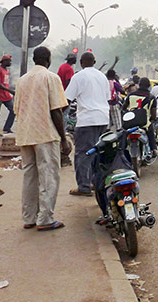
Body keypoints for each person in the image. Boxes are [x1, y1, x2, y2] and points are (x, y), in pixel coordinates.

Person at [13, 46, 71, 231]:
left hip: (25, 133)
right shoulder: (51, 78)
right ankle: (45, 218)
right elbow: (56, 111)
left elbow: (17, 109)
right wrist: (63, 138)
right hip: (45, 133)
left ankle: (29, 217)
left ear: (33, 59)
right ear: (49, 59)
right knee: (48, 176)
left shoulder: (21, 81)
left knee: (29, 176)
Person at [65, 52, 110, 197]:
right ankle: (95, 183)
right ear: (95, 62)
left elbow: (67, 99)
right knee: (98, 153)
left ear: (81, 62)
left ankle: (84, 186)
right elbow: (107, 98)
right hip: (103, 119)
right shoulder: (102, 77)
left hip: (87, 121)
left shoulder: (79, 76)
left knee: (83, 154)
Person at [122, 77, 158, 156]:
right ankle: (154, 149)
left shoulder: (131, 95)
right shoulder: (151, 97)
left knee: (123, 134)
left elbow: (124, 107)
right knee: (151, 133)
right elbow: (153, 114)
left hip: (130, 122)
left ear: (139, 85)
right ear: (148, 86)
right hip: (144, 123)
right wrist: (153, 119)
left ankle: (121, 150)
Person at [0, 54, 16, 139]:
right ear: (4, 61)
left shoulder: (6, 71)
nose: (10, 62)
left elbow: (6, 84)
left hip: (6, 95)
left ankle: (7, 128)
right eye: (9, 61)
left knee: (13, 110)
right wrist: (10, 91)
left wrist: (12, 89)